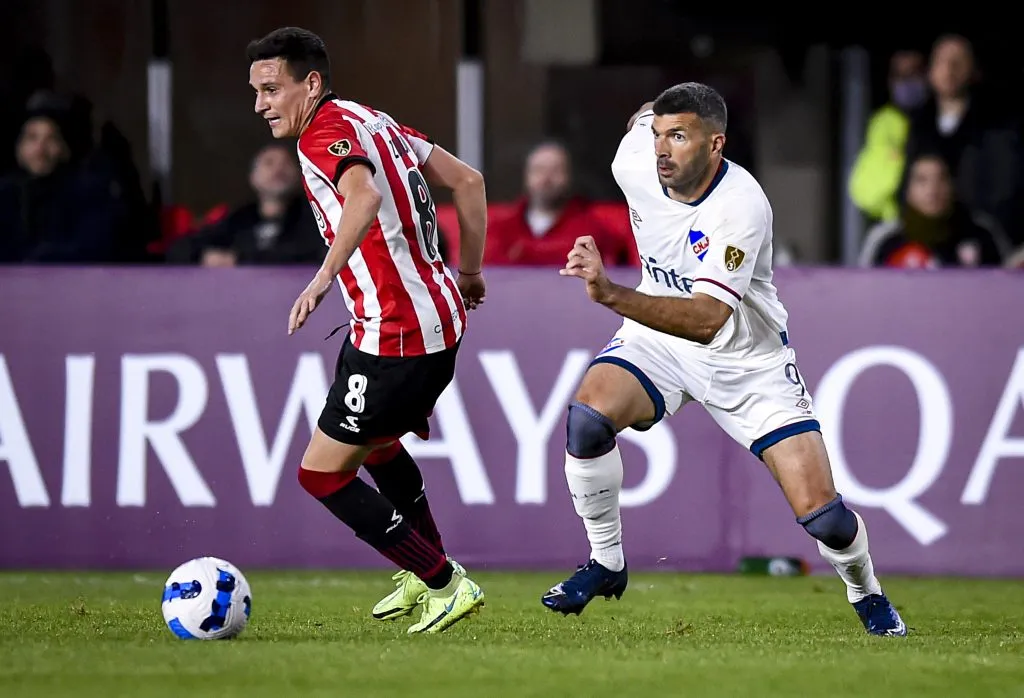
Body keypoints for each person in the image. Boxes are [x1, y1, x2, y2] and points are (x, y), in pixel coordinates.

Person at [542, 83, 907, 637]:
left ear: (717, 145)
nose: (663, 150)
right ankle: (606, 562)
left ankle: (866, 591)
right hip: (659, 342)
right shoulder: (635, 159)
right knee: (588, 422)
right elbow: (641, 121)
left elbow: (707, 319)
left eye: (680, 137)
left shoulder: (741, 207)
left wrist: (612, 293)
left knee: (825, 519)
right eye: (660, 135)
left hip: (748, 362)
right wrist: (651, 118)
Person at [246, 27, 487, 634]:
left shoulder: (323, 132)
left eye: (272, 89)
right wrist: (471, 273)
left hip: (398, 333)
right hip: (426, 319)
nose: (261, 105)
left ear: (312, 83)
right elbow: (470, 181)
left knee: (321, 473)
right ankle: (425, 567)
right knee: (377, 443)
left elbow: (362, 197)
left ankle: (443, 581)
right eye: (256, 92)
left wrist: (323, 277)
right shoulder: (370, 119)